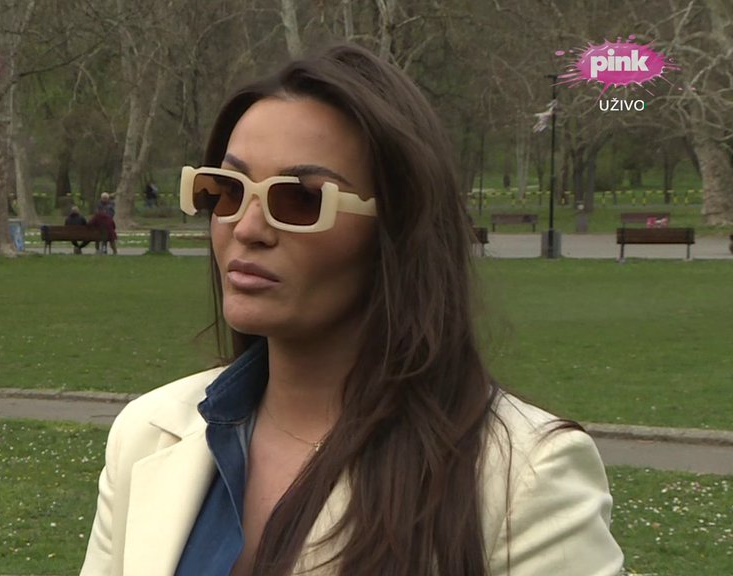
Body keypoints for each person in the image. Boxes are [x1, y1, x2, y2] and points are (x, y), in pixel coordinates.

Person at [80, 44, 623, 576]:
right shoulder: (147, 433)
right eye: (227, 190)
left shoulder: (523, 478)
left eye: (301, 199)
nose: (246, 228)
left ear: (398, 231)